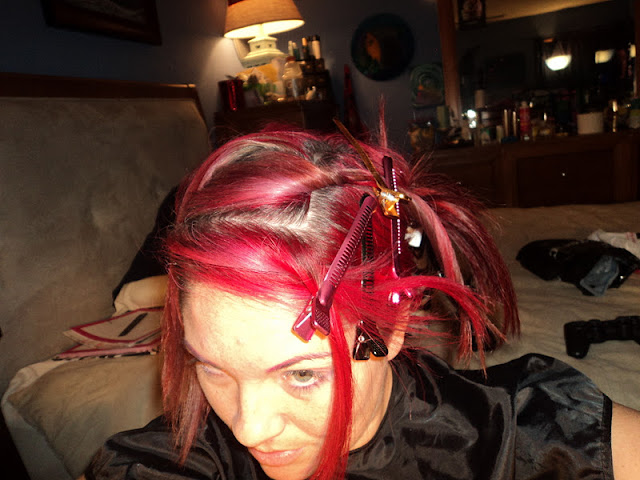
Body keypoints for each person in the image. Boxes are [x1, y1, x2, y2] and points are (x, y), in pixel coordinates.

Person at [84, 120, 640, 480]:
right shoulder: (186, 456)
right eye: (211, 368)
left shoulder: (525, 438)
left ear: (391, 329)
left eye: (302, 374)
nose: (248, 428)